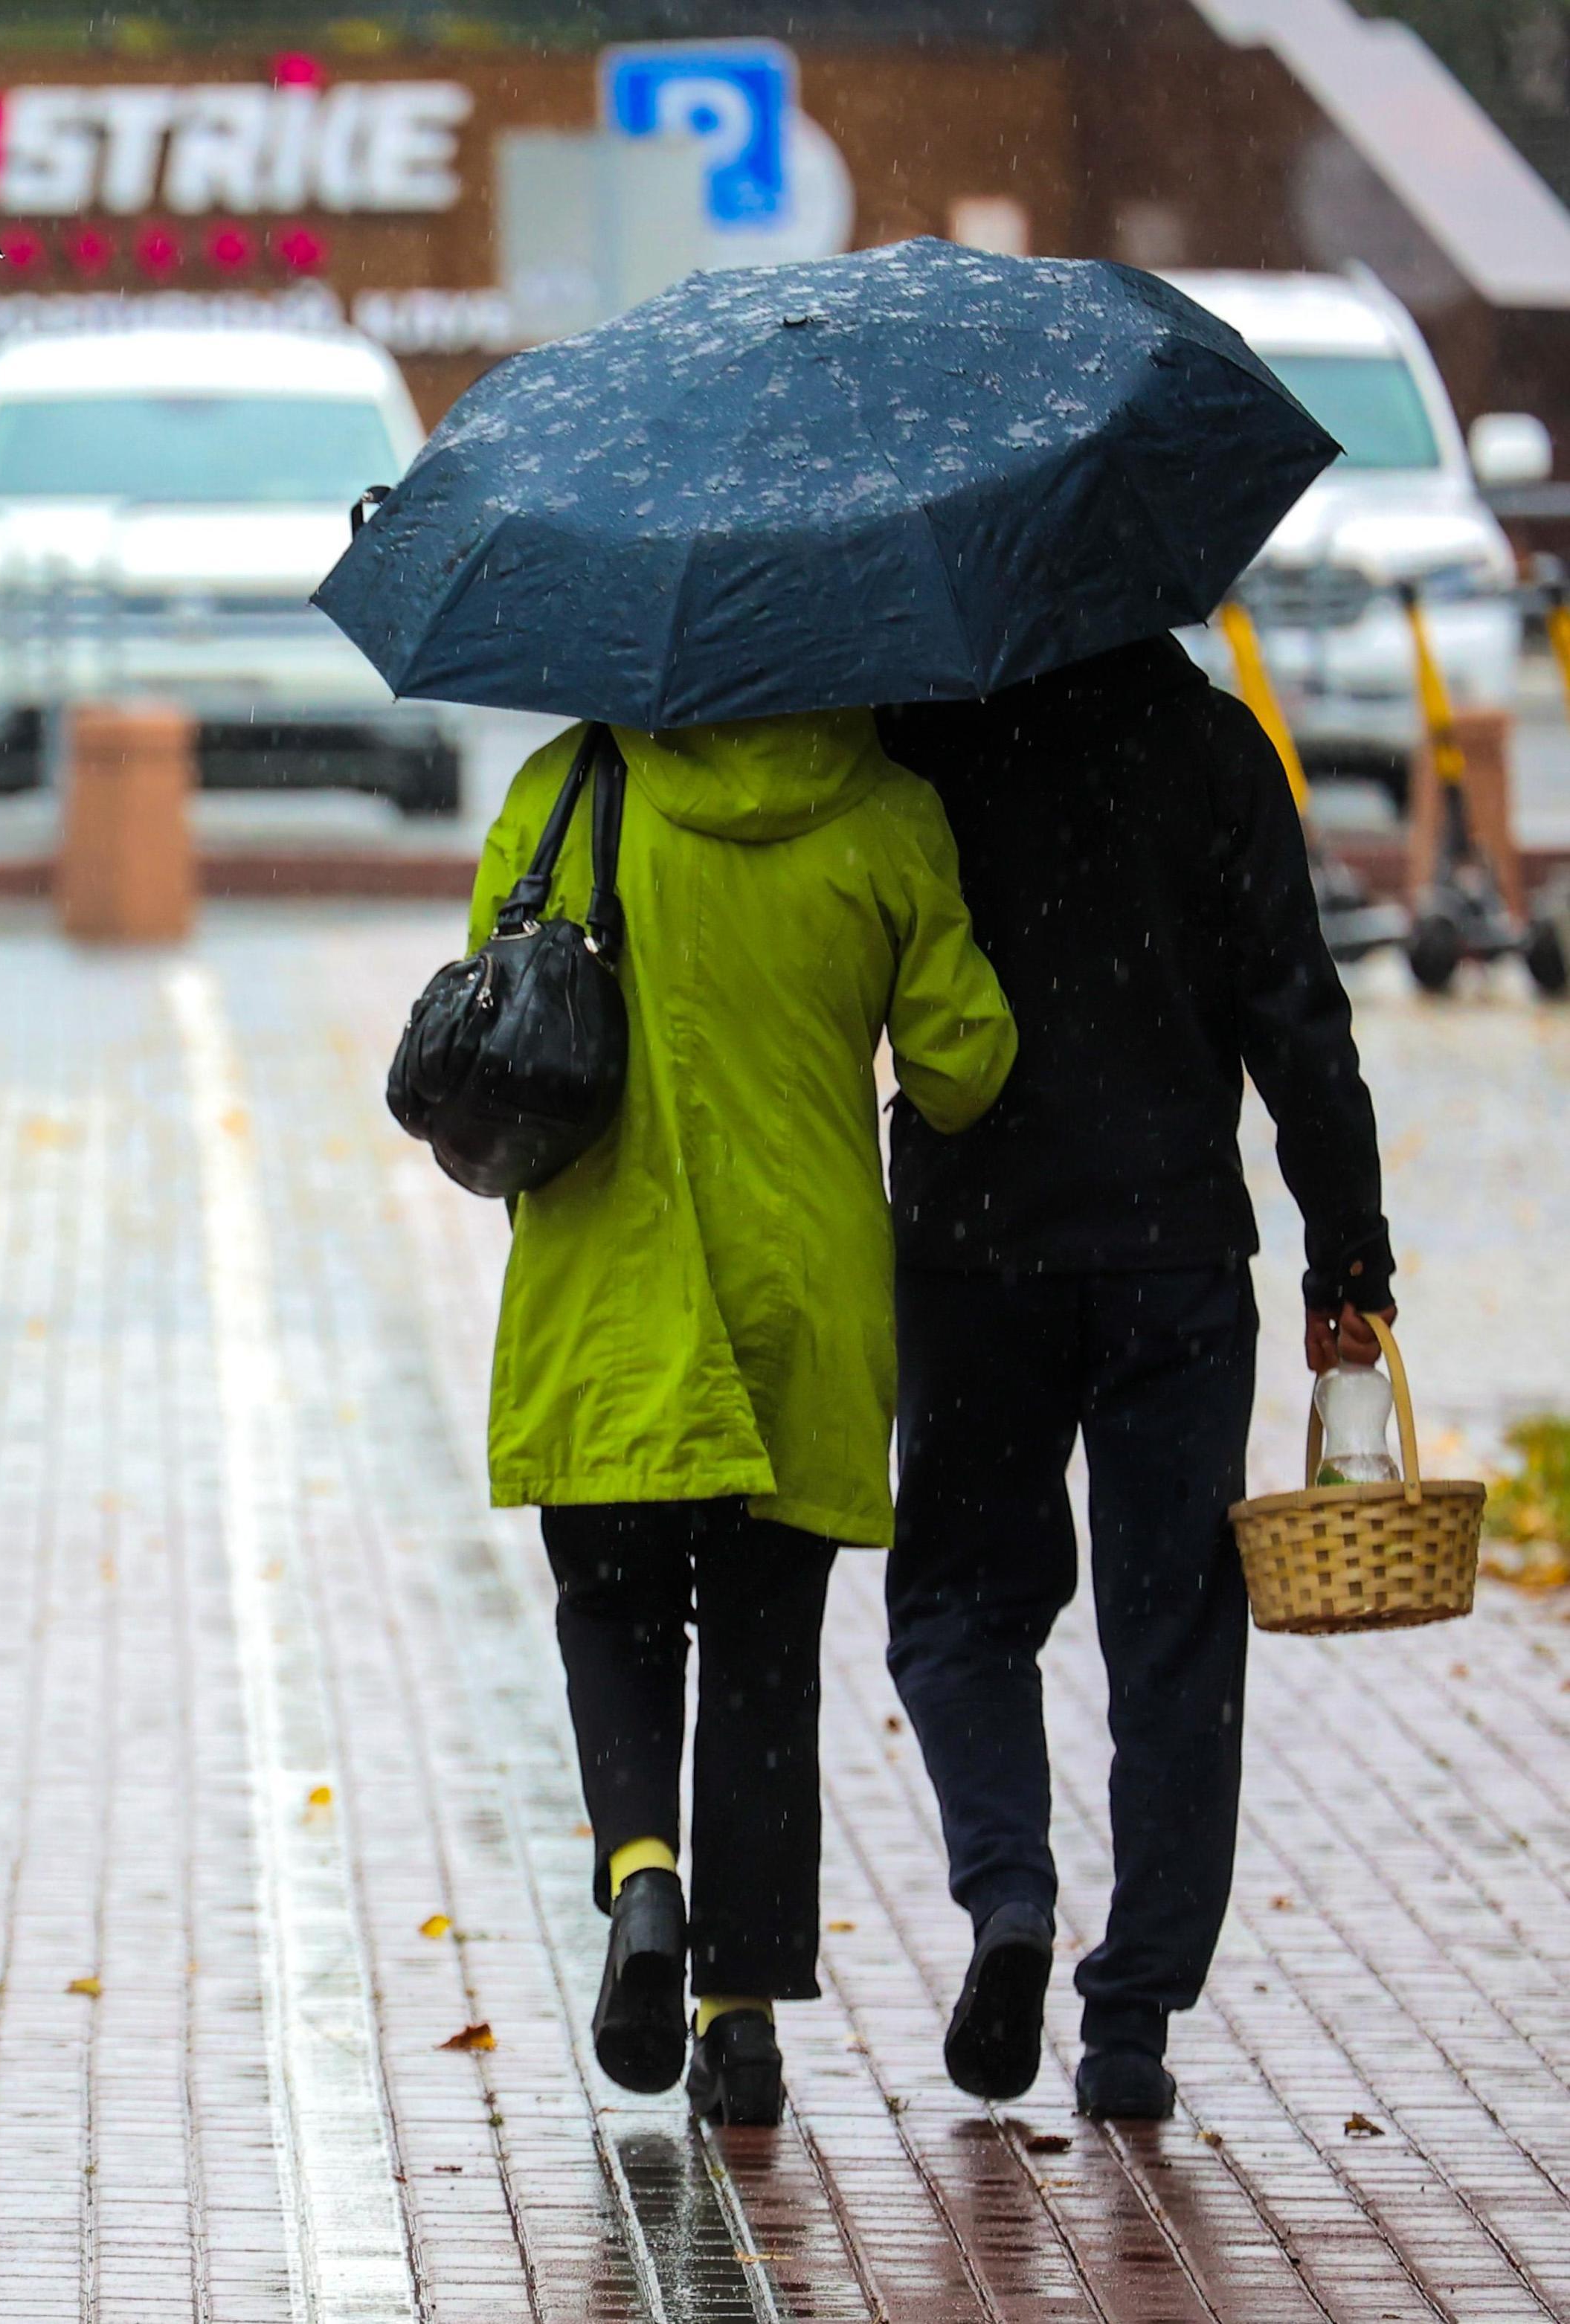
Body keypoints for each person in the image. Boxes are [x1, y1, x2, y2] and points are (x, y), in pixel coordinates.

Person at [472, 711, 1017, 2128]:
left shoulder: (567, 786)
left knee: (613, 1606)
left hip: (614, 1290)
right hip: (805, 1296)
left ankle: (643, 1871)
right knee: (767, 1660)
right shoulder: (891, 810)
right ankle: (740, 2013)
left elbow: (488, 1012)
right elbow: (965, 1063)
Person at [875, 638, 1393, 2123]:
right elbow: (1300, 1019)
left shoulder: (925, 739)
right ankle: (1133, 2019)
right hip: (1173, 1250)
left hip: (975, 1250)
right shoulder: (1213, 749)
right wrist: (1345, 1257)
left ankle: (1007, 1897)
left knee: (961, 1601)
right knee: (1173, 1632)